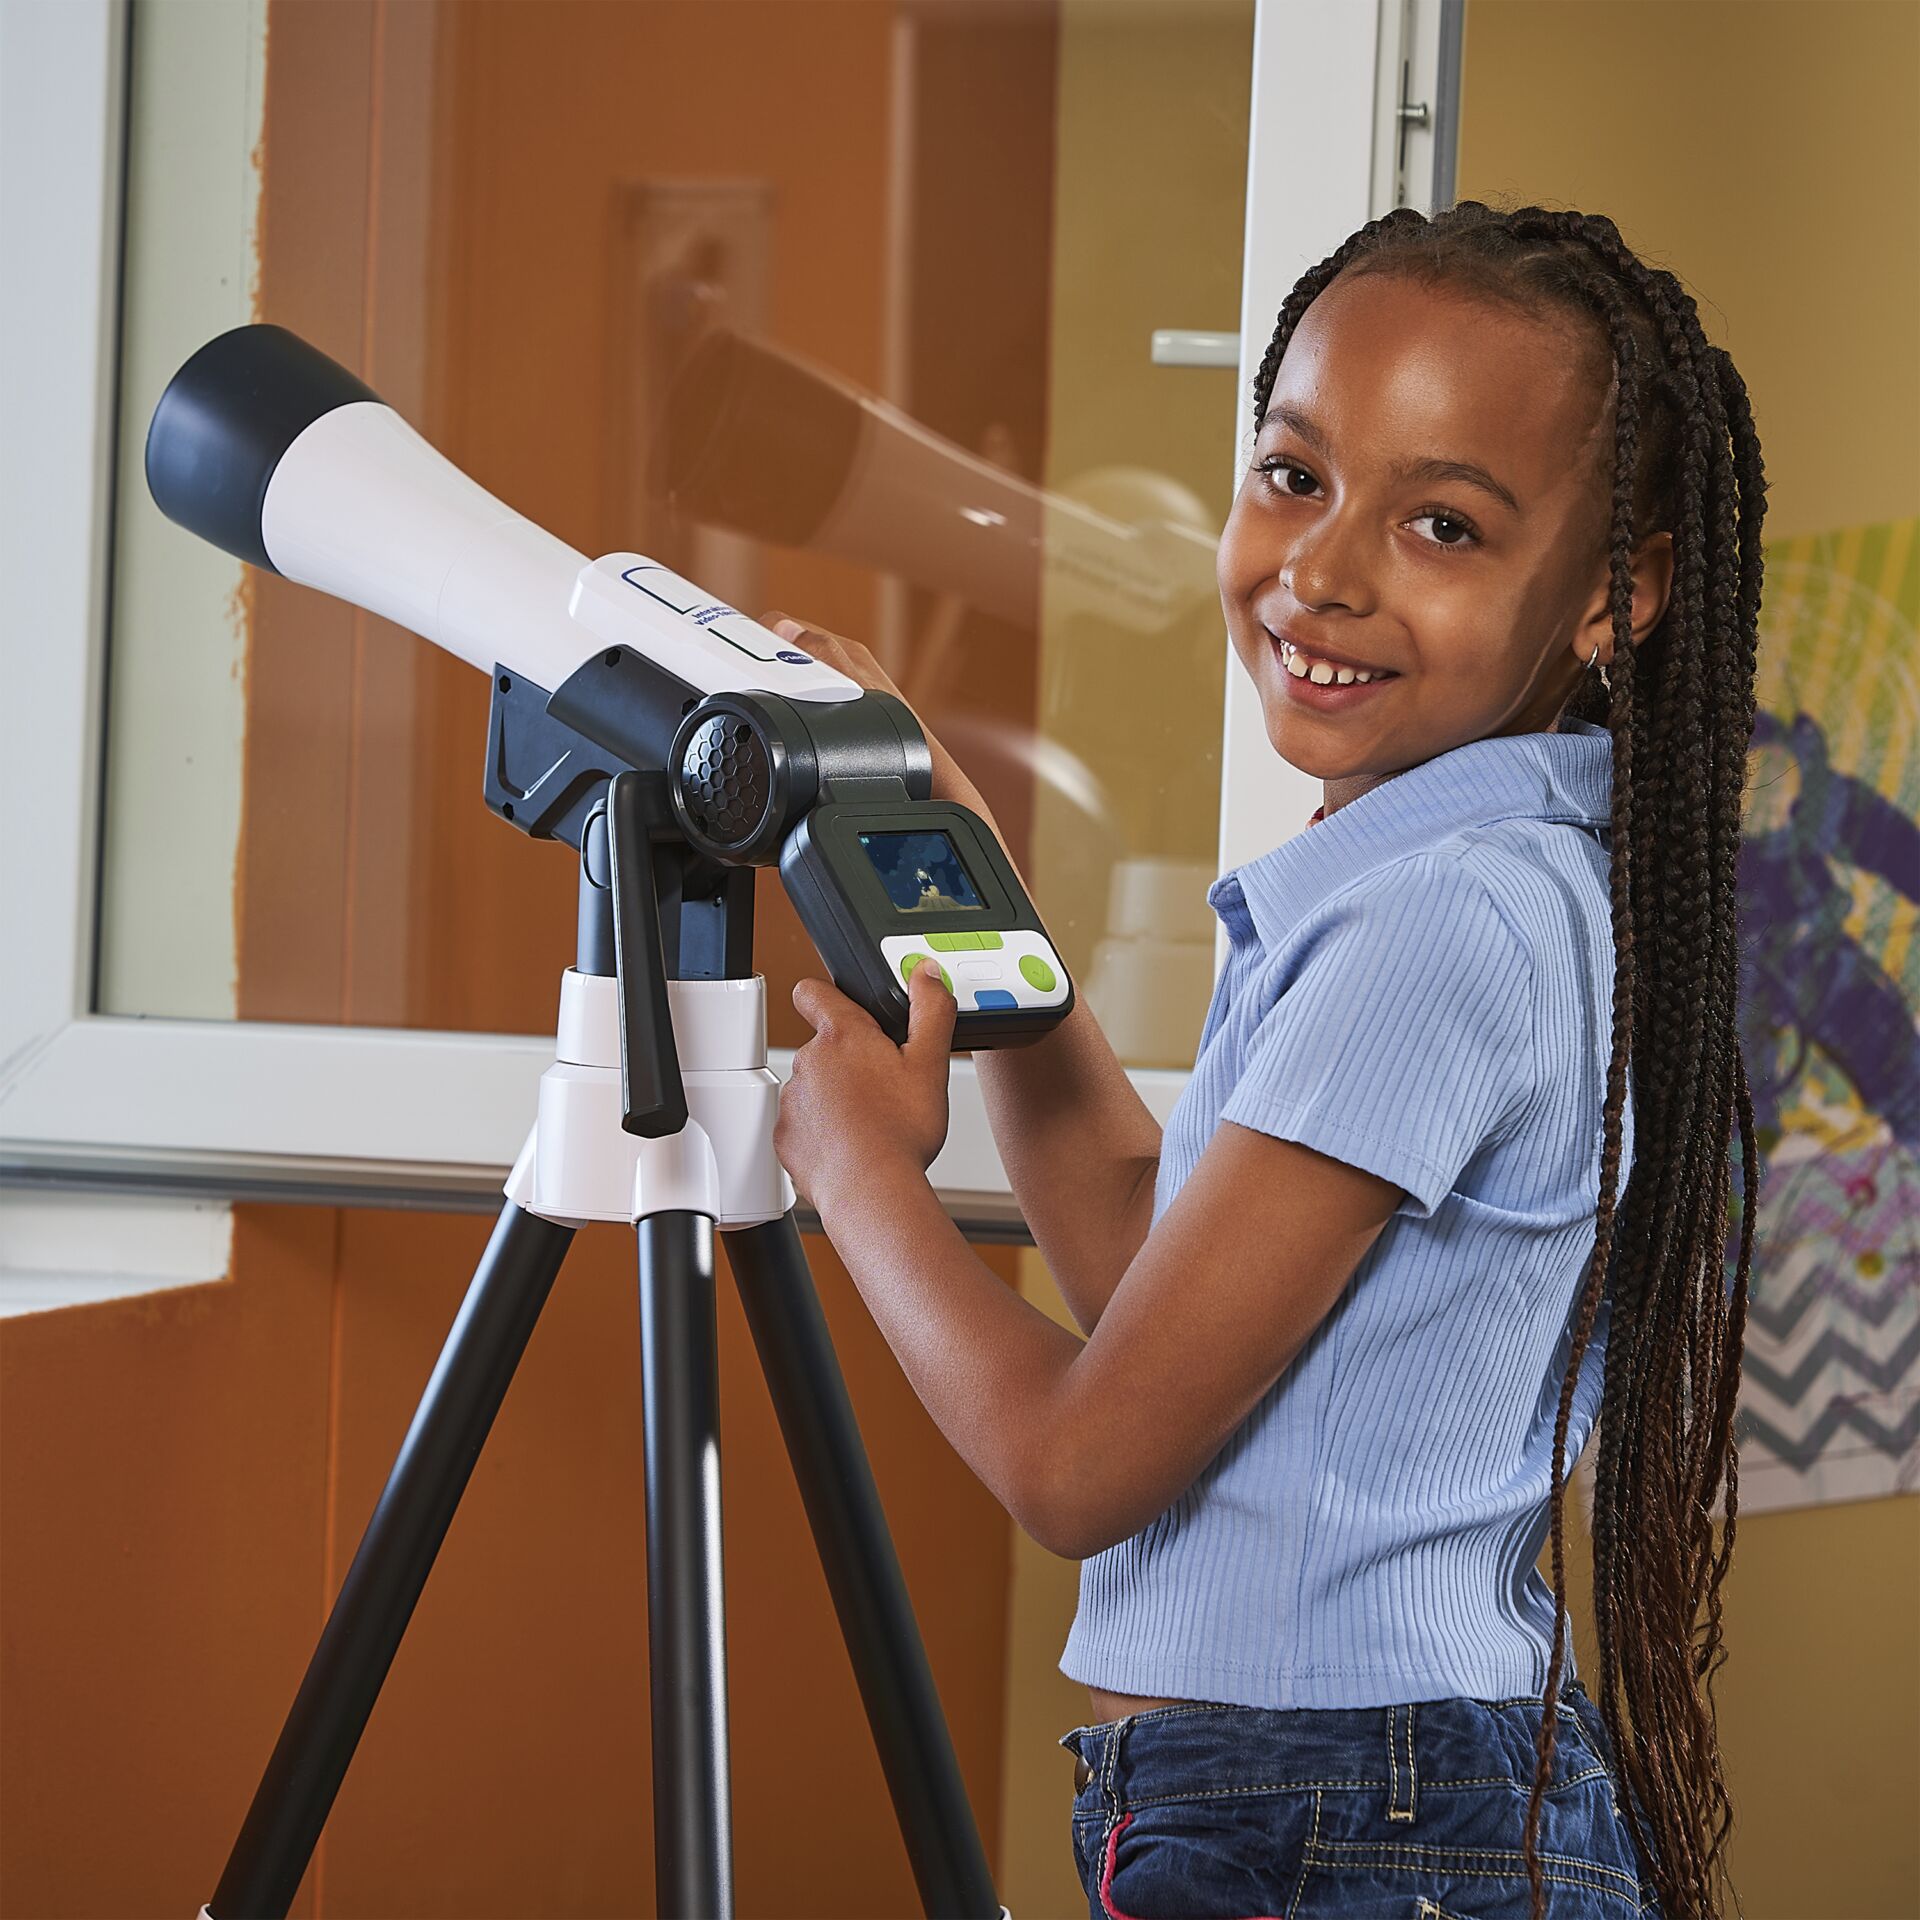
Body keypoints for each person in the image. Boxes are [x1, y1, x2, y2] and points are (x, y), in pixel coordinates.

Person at [766, 200, 1763, 1920]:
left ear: (1622, 596)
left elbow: (1080, 1468)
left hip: (1343, 1829)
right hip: (1342, 1806)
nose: (1324, 571)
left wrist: (856, 1176)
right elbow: (1154, 1268)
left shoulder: (1438, 930)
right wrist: (969, 883)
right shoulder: (1470, 880)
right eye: (1295, 474)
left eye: (1442, 522)